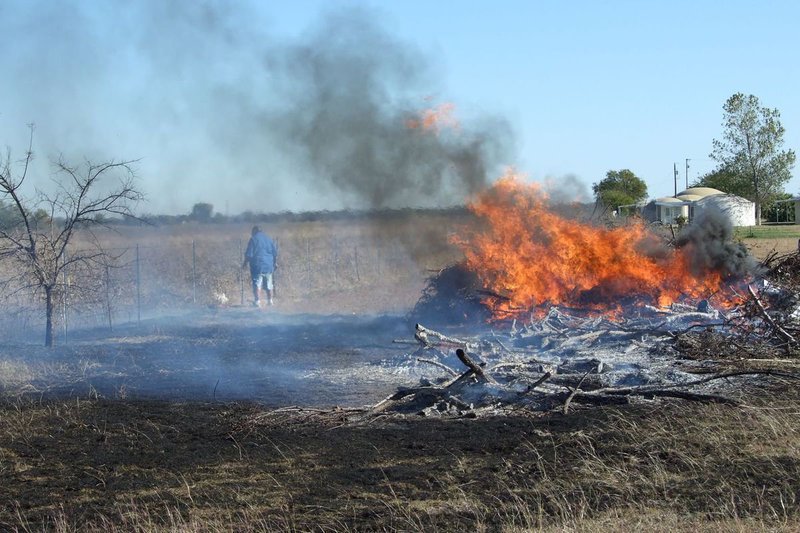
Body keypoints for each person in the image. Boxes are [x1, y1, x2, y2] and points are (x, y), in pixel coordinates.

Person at [242, 225, 278, 307]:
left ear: (254, 231)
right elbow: (275, 253)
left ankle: (257, 302)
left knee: (257, 284)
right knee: (269, 284)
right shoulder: (269, 239)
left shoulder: (253, 239)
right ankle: (270, 301)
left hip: (257, 266)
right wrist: (275, 263)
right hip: (269, 266)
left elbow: (249, 255)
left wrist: (244, 264)